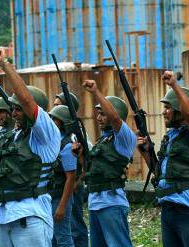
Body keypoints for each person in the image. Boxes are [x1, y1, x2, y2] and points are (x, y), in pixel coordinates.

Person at [0, 49, 61, 246]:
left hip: (30, 217)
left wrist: (5, 65)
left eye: (18, 109)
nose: (14, 113)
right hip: (3, 216)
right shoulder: (13, 136)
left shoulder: (46, 133)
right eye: (13, 109)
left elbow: (27, 101)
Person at [137, 71, 189, 247]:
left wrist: (174, 86)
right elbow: (159, 173)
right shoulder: (170, 137)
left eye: (168, 108)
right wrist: (145, 152)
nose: (164, 112)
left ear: (180, 111)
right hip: (168, 208)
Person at [73, 80, 136, 247]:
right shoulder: (103, 141)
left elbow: (115, 118)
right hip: (95, 204)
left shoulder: (124, 138)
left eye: (103, 114)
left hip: (112, 204)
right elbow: (91, 172)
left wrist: (96, 92)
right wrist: (80, 157)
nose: (99, 118)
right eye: (98, 114)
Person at [53, 92, 88, 247]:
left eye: (58, 106)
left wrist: (78, 182)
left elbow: (85, 162)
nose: (54, 109)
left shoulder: (74, 134)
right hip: (60, 186)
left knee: (74, 225)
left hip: (72, 185)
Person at [48, 105, 76, 247]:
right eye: (51, 118)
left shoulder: (66, 146)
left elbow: (71, 177)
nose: (52, 121)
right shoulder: (52, 142)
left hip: (60, 197)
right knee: (51, 237)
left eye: (56, 119)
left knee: (63, 237)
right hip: (50, 196)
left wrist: (62, 206)